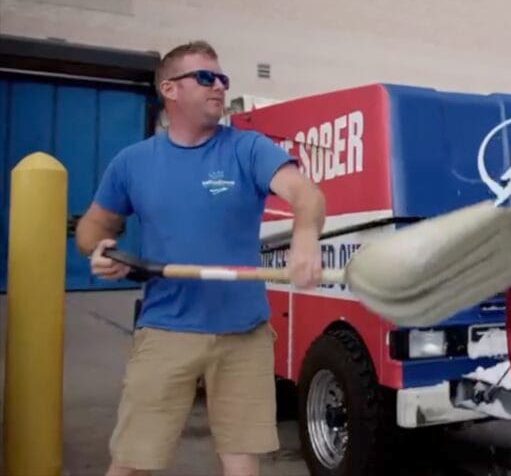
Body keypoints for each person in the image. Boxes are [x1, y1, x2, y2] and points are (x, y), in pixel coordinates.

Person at [74, 40, 326, 476]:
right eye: (206, 77)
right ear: (170, 89)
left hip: (243, 334)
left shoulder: (248, 149)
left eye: (223, 78)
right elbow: (92, 228)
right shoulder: (133, 162)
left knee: (242, 462)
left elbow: (306, 195)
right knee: (133, 459)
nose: (219, 87)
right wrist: (101, 250)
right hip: (165, 329)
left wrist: (306, 237)